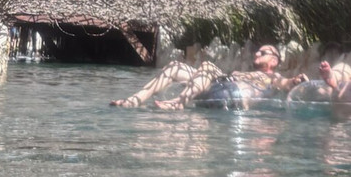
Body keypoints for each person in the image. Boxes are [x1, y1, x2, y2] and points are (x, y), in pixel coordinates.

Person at [110, 45, 307, 109]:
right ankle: (133, 101)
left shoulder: (274, 76)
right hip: (218, 90)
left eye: (262, 53)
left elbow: (284, 83)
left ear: (274, 61)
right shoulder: (245, 72)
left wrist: (294, 81)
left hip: (233, 96)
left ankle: (179, 103)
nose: (256, 54)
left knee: (207, 66)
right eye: (257, 51)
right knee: (175, 66)